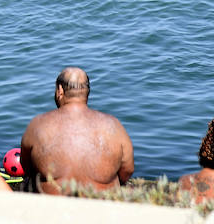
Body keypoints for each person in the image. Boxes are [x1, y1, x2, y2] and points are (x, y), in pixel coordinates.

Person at [19, 66, 134, 194]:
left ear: (60, 90)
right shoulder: (114, 125)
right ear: (87, 92)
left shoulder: (37, 125)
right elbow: (127, 171)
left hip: (53, 210)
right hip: (101, 209)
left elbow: (27, 169)